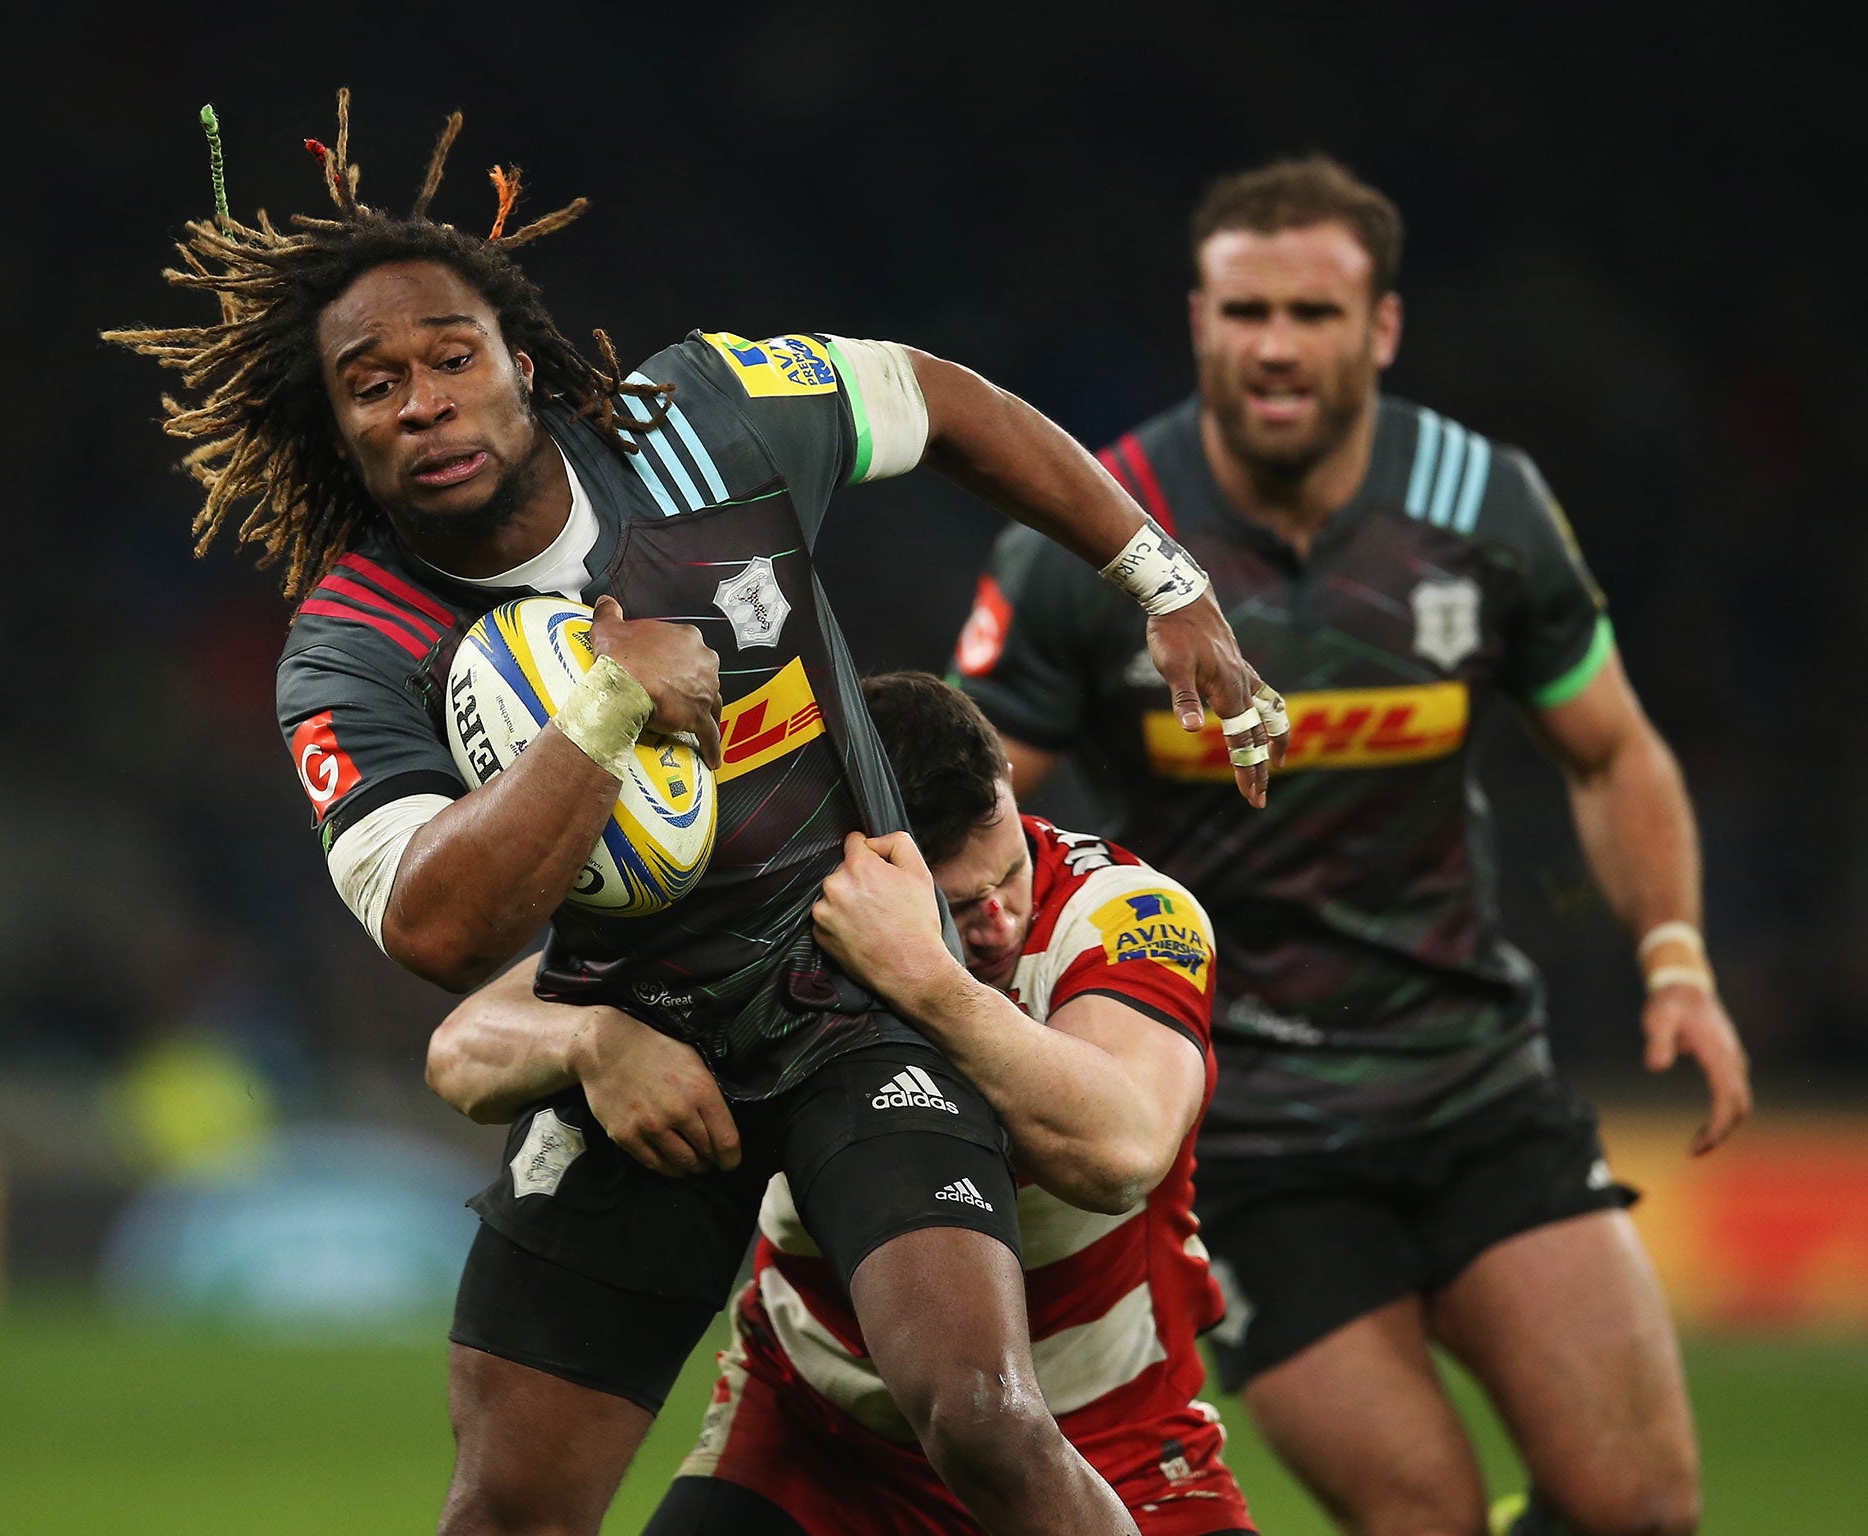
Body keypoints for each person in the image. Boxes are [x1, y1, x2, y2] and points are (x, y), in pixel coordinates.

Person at [106, 94, 1285, 1536]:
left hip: (860, 1010)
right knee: (505, 1511)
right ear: (337, 430)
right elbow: (433, 926)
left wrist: (1163, 585)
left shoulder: (702, 424)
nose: (420, 403)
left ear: (524, 363)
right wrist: (598, 721)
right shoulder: (351, 647)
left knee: (980, 1417)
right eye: (369, 385)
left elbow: (942, 400)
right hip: (643, 1054)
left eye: (449, 358)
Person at [950, 155, 1751, 1536]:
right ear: (1196, 318)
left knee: (1644, 1507)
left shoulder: (1483, 507)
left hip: (1476, 1084)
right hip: (1250, 1138)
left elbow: (1613, 750)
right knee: (1424, 1516)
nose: (1274, 346)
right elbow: (961, 809)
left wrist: (1676, 961)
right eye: (1243, 310)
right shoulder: (1094, 529)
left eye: (1312, 315)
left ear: (1380, 327)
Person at [429, 671, 1256, 1536]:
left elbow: (1122, 1153)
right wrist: (593, 1041)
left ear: (1009, 791)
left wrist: (928, 973)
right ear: (845, 859)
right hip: (813, 1441)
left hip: (1104, 1448)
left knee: (995, 1428)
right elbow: (461, 1048)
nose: (1001, 925)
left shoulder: (1123, 914)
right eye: (957, 905)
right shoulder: (761, 912)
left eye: (1007, 876)